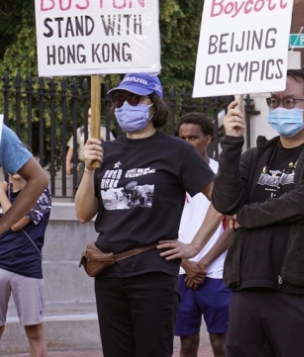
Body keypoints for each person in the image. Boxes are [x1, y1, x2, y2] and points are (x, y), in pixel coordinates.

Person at [74, 73, 219, 357]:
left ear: (153, 105)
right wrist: (90, 168)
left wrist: (195, 246)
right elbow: (82, 213)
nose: (124, 105)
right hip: (109, 273)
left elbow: (222, 199)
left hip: (153, 274)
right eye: (118, 99)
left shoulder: (177, 151)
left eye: (133, 98)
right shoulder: (106, 152)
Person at [212, 69, 304, 357]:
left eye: (288, 102)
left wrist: (245, 216)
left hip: (295, 292)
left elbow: (303, 203)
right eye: (273, 101)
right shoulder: (254, 156)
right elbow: (224, 202)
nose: (278, 108)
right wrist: (231, 143)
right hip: (247, 288)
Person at [175, 113, 232, 357]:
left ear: (208, 139)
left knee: (221, 343)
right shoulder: (170, 177)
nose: (187, 143)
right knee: (187, 344)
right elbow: (157, 228)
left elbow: (233, 225)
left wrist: (203, 263)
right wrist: (185, 263)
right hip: (181, 272)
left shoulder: (223, 175)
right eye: (182, 138)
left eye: (193, 137)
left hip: (217, 272)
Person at [0, 148, 51, 357]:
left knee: (34, 332)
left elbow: (16, 223)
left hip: (26, 269)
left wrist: (1, 194)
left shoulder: (40, 191)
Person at [65, 108, 114, 179]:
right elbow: (72, 148)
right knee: (81, 188)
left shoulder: (106, 132)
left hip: (102, 165)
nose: (91, 118)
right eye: (89, 116)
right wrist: (67, 164)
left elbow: (113, 148)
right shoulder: (80, 131)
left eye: (93, 116)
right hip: (84, 164)